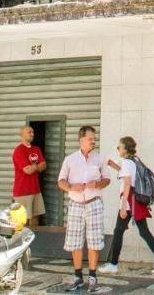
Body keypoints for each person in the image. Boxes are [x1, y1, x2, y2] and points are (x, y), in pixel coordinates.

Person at [98, 136, 154, 276]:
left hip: (129, 202)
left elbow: (128, 183)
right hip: (136, 202)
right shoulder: (134, 160)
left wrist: (123, 207)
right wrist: (113, 165)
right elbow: (127, 173)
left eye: (119, 146)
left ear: (125, 148)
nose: (118, 148)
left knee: (118, 232)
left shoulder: (127, 162)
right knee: (144, 231)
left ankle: (113, 265)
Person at [57, 125, 111, 292]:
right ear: (81, 140)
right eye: (90, 138)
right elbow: (61, 181)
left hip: (94, 203)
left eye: (94, 138)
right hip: (75, 204)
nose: (93, 141)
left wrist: (98, 183)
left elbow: (107, 180)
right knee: (75, 241)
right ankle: (78, 276)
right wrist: (71, 187)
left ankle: (93, 277)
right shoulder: (70, 159)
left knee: (94, 240)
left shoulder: (99, 159)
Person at [12, 126, 47, 227]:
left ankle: (35, 240)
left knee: (35, 217)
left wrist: (34, 167)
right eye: (29, 132)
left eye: (33, 132)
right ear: (22, 134)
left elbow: (44, 165)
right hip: (22, 191)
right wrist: (37, 166)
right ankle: (21, 241)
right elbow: (28, 170)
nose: (32, 134)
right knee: (22, 221)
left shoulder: (36, 149)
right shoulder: (19, 151)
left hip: (36, 190)